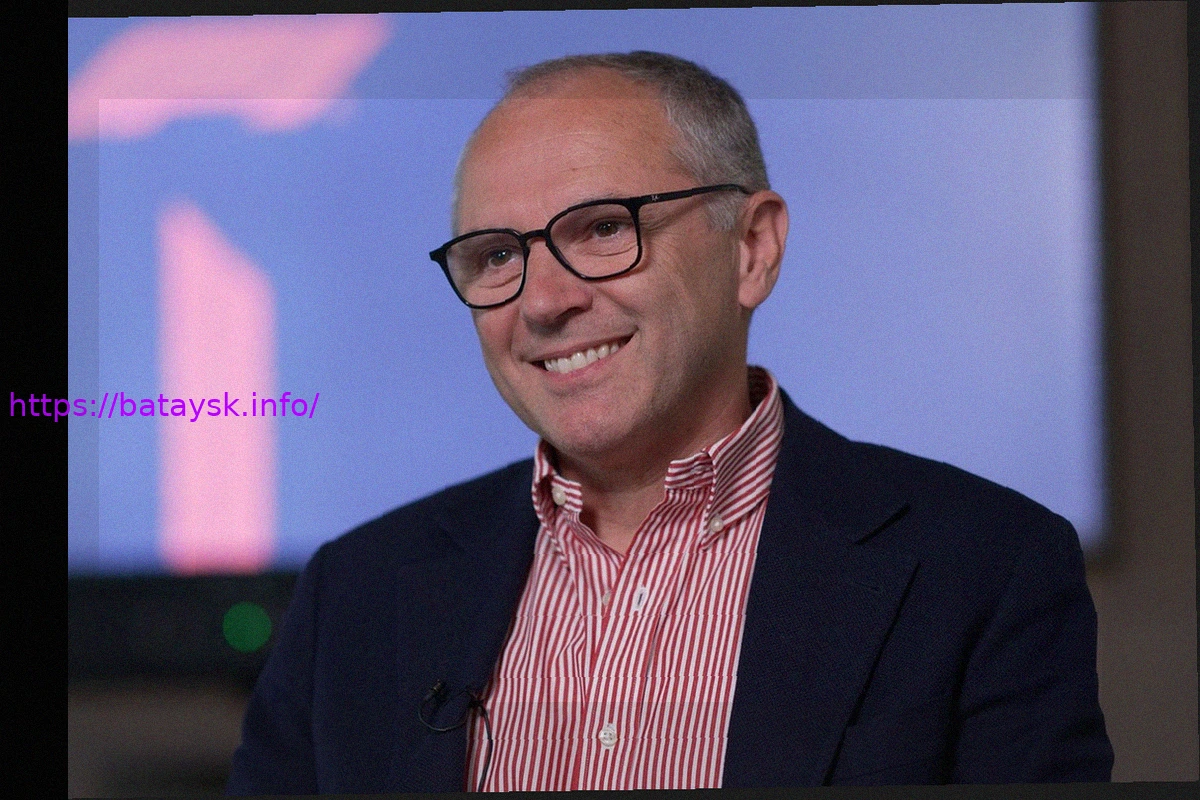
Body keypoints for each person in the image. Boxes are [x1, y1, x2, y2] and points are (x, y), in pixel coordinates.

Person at [227, 51, 1112, 793]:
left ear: (752, 248)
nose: (544, 301)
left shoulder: (984, 567)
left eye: (603, 229)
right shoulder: (354, 595)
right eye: (496, 255)